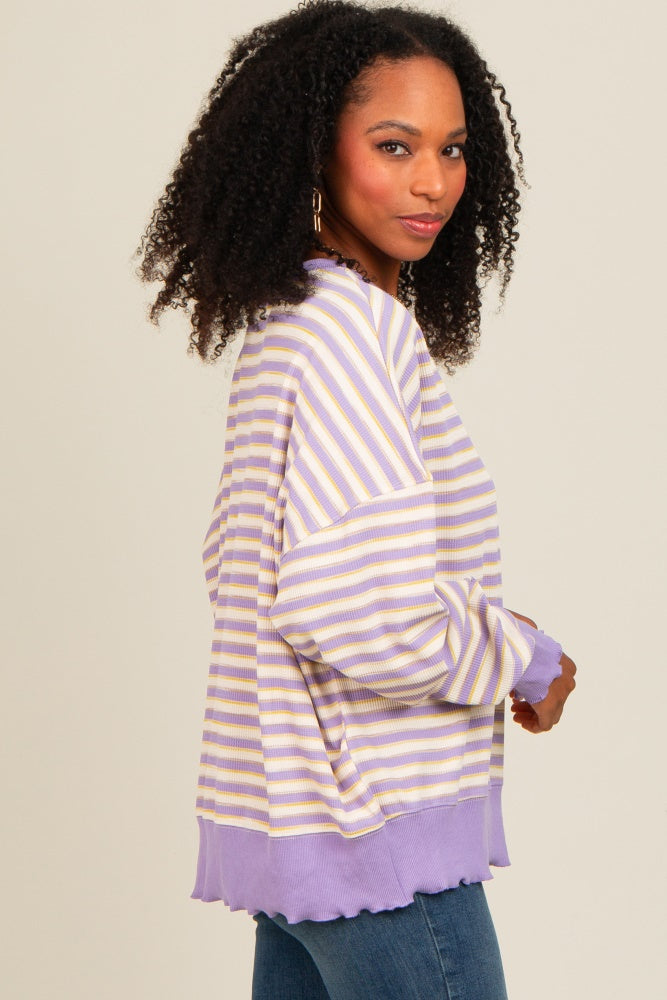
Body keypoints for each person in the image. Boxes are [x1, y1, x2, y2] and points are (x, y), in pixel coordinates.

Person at [137, 2, 577, 996]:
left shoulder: (291, 324)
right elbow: (354, 608)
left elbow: (253, 569)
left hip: (303, 839)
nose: (433, 182)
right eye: (393, 145)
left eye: (452, 149)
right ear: (313, 150)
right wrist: (520, 654)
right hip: (379, 844)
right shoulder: (349, 336)